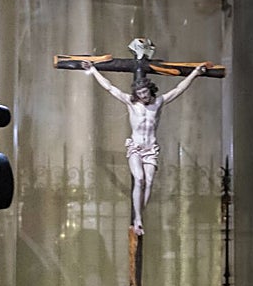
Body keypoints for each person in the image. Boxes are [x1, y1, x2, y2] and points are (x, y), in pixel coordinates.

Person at [82, 57, 206, 235]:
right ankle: (138, 219)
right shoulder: (131, 103)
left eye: (145, 93)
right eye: (140, 94)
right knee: (139, 179)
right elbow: (109, 87)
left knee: (148, 183)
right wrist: (93, 70)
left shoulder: (158, 103)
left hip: (151, 149)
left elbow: (179, 89)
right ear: (137, 94)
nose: (143, 96)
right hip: (136, 147)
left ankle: (140, 217)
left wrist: (195, 73)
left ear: (150, 90)